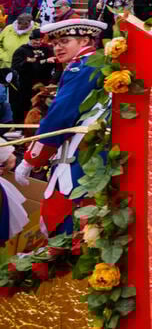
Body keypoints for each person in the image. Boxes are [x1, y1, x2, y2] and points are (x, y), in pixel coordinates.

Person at [15, 18, 109, 235]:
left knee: (64, 219)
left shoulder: (82, 67)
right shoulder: (92, 62)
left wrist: (31, 159)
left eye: (65, 41)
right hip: (89, 152)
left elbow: (60, 116)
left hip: (80, 157)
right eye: (55, 43)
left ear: (85, 39)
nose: (58, 47)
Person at [10, 29, 55, 124]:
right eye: (35, 40)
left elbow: (54, 64)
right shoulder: (22, 50)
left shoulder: (46, 49)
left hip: (43, 85)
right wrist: (27, 62)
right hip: (25, 86)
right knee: (23, 108)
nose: (38, 42)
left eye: (40, 40)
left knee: (41, 109)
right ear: (30, 39)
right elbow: (15, 67)